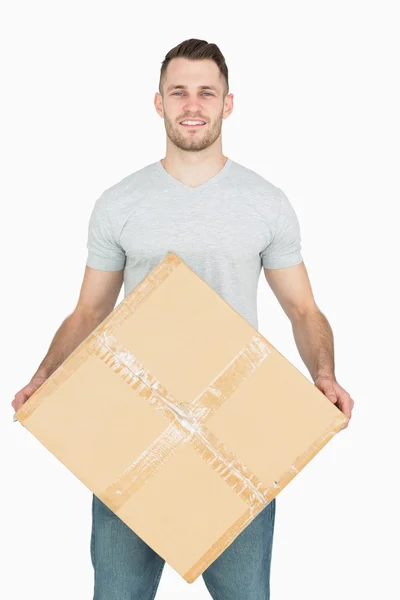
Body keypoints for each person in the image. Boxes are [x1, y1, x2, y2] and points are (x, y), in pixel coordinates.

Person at [12, 38, 354, 599]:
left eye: (205, 92)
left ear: (228, 104)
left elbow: (303, 308)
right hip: (130, 428)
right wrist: (45, 375)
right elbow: (90, 310)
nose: (192, 105)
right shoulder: (120, 203)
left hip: (237, 435)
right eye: (179, 92)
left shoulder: (264, 201)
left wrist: (323, 373)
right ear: (158, 103)